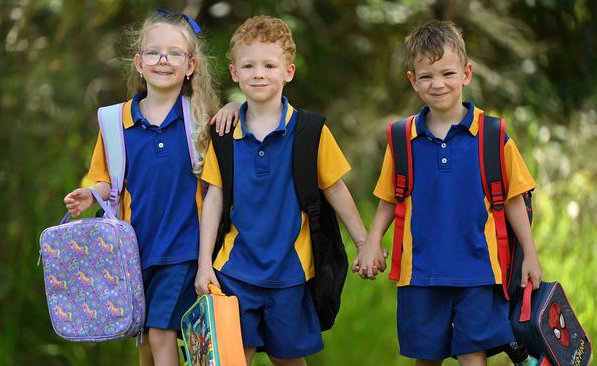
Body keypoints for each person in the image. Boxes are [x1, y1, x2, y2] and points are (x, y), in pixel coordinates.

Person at [194, 15, 379, 366]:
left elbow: (335, 189)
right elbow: (213, 199)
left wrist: (365, 243)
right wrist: (205, 265)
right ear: (234, 73)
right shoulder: (223, 136)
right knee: (229, 358)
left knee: (289, 359)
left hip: (290, 272)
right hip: (234, 270)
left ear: (288, 72)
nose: (258, 73)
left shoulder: (310, 131)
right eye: (248, 66)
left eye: (269, 65)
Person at [363, 20, 543, 366]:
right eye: (427, 76)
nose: (438, 83)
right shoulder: (402, 138)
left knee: (472, 355)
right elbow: (390, 197)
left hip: (479, 270)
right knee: (425, 357)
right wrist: (373, 240)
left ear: (466, 73)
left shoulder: (493, 135)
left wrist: (531, 254)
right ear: (413, 80)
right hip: (420, 273)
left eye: (447, 73)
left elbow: (514, 200)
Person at [63, 10, 230, 366]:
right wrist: (91, 193)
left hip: (185, 251)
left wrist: (232, 107)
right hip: (134, 254)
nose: (163, 60)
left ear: (191, 66)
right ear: (139, 62)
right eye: (154, 52)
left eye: (174, 53)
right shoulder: (113, 121)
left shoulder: (202, 120)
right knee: (145, 347)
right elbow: (107, 179)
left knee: (161, 333)